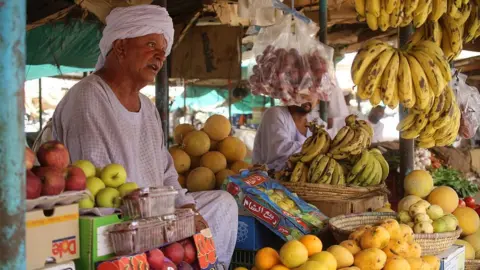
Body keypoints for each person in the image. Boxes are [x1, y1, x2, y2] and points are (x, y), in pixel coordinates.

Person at [49, 5, 237, 267]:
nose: (160, 57)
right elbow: (97, 188)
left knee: (223, 204)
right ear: (121, 46)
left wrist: (187, 209)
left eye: (163, 50)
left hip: (157, 218)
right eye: (151, 44)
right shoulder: (89, 97)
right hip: (118, 223)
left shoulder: (147, 108)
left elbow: (167, 172)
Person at [252, 99, 320, 172]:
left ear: (318, 100)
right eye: (304, 93)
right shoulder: (274, 113)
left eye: (313, 92)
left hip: (302, 181)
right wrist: (317, 150)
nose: (307, 97)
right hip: (268, 180)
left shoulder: (317, 123)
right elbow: (281, 151)